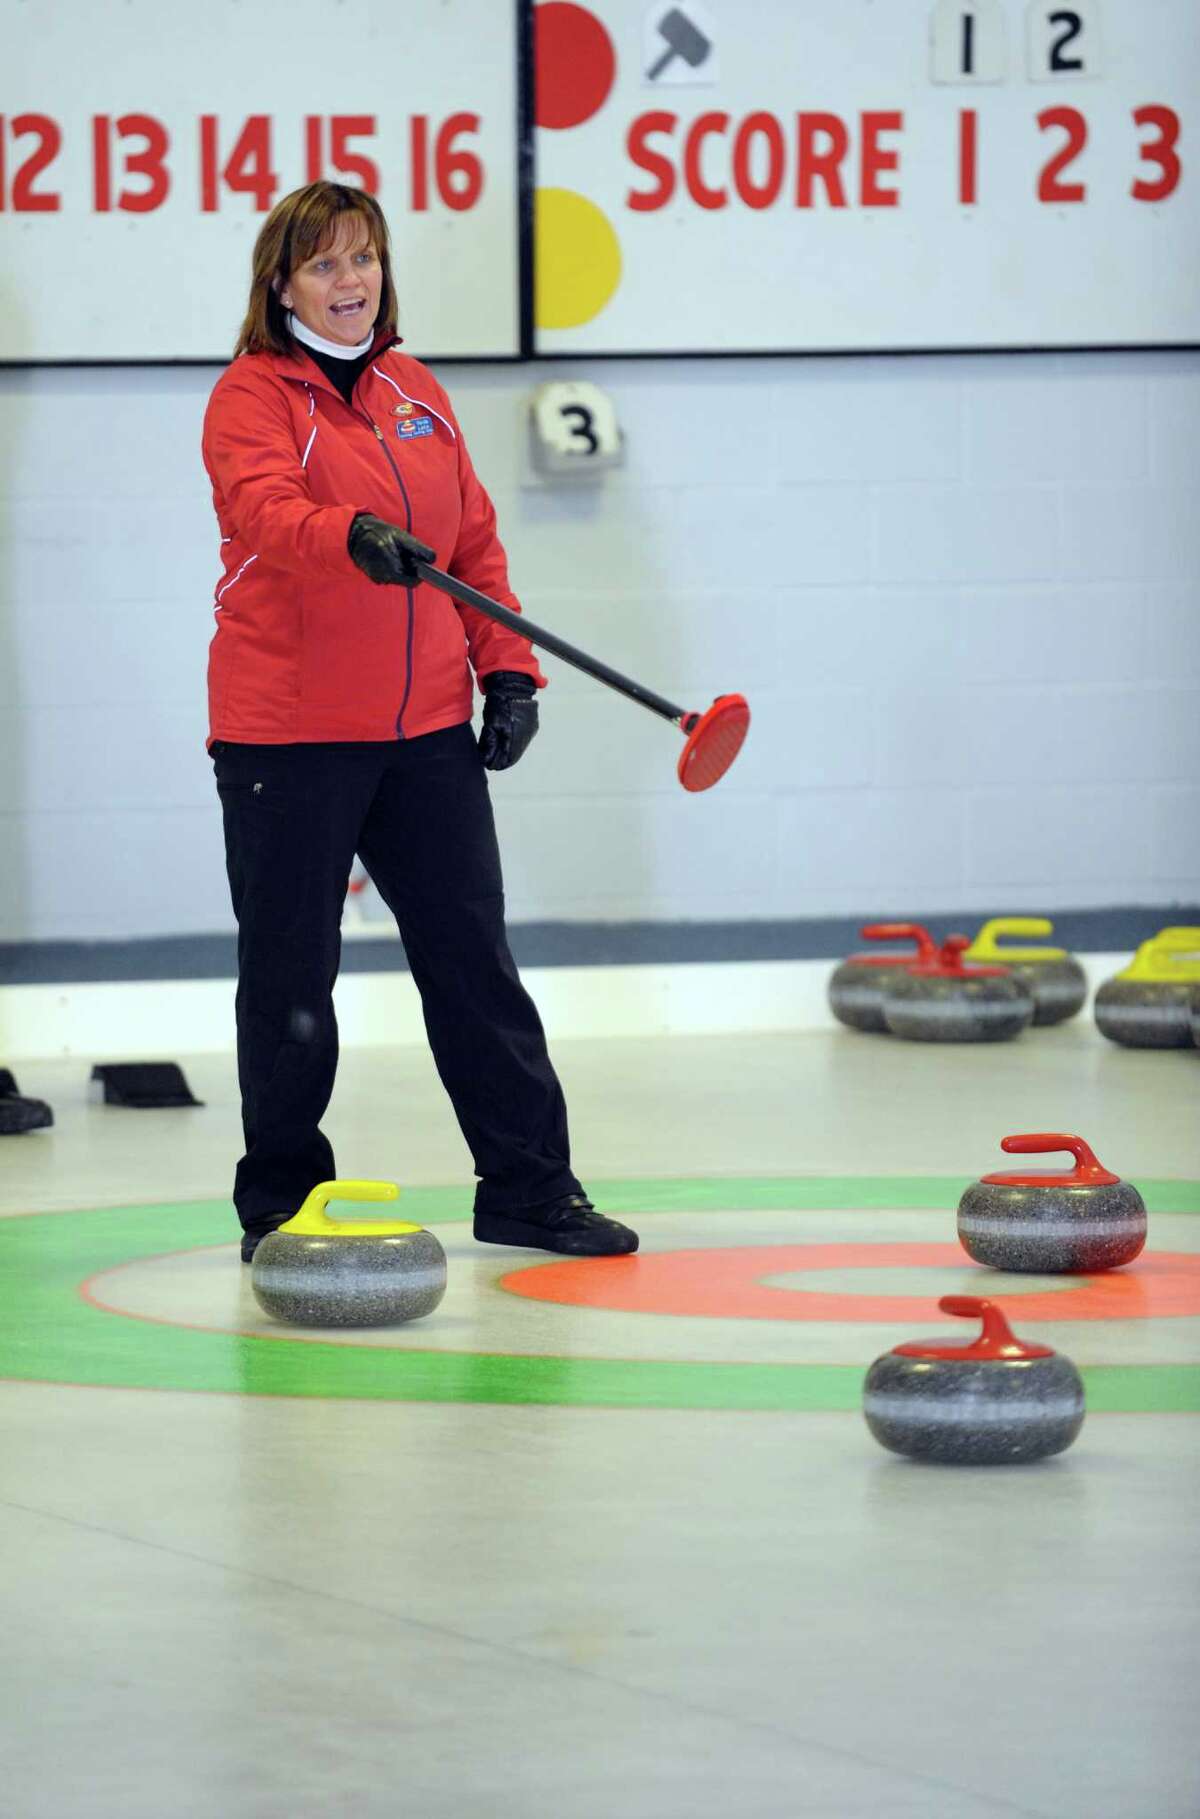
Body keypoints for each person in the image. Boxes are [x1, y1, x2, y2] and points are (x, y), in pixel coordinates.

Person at [201, 180, 638, 1263]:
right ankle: (285, 1203)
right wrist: (350, 532)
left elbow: (473, 546)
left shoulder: (415, 390)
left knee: (473, 963)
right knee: (291, 978)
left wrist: (510, 670)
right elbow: (261, 508)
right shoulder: (254, 395)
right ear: (281, 282)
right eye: (324, 265)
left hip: (425, 732)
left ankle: (531, 1190)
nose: (349, 284)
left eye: (363, 260)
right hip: (288, 737)